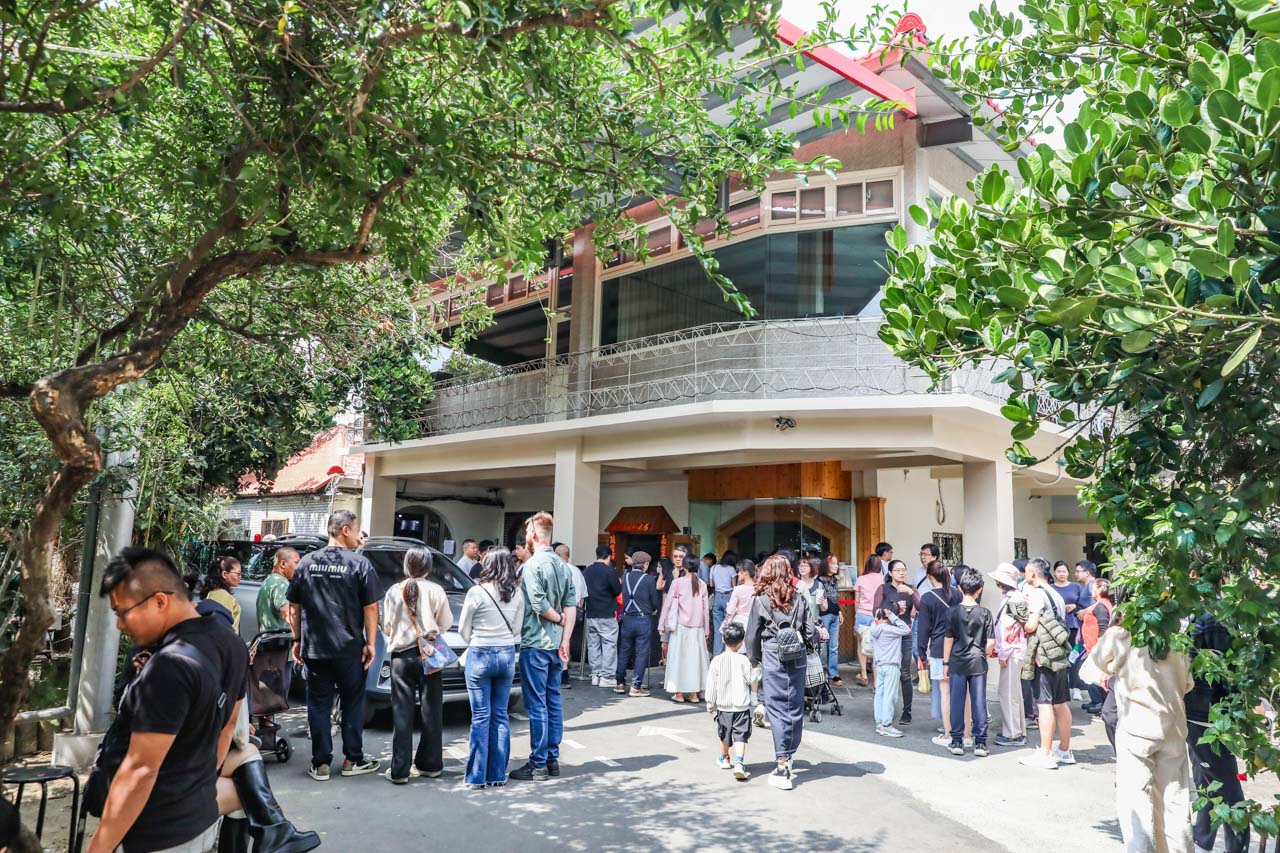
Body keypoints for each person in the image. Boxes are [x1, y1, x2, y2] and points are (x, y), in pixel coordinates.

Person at [87, 547, 249, 853]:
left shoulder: (169, 665)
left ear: (160, 600)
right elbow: (226, 728)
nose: (120, 625)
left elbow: (140, 770)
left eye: (122, 612)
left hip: (155, 831)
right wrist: (196, 789)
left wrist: (99, 848)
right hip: (196, 816)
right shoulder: (232, 643)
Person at [1085, 611, 1194, 852]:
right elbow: (1187, 683)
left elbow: (1098, 658)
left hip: (1136, 726)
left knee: (1136, 801)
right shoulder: (1176, 637)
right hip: (1173, 725)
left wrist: (1114, 625)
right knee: (1175, 800)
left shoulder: (1122, 634)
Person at [286, 509, 382, 782]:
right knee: (352, 702)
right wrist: (371, 643)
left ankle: (321, 764)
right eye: (357, 529)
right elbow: (371, 607)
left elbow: (294, 605)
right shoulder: (359, 564)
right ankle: (353, 758)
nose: (358, 536)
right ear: (346, 530)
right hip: (349, 648)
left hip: (316, 648)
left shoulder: (306, 563)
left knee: (318, 705)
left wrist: (297, 639)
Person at [511, 512, 578, 782]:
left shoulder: (532, 566)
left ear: (536, 535)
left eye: (528, 533)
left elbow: (538, 605)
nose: (526, 537)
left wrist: (559, 619)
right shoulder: (564, 566)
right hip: (555, 645)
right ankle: (552, 759)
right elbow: (571, 604)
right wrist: (565, 640)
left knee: (537, 704)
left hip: (535, 642)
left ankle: (537, 763)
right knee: (553, 701)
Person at [380, 545, 453, 784]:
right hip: (429, 655)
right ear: (429, 567)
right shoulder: (436, 589)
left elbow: (387, 627)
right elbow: (445, 623)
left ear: (406, 565)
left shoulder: (393, 590)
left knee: (402, 713)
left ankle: (400, 770)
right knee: (432, 710)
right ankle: (430, 764)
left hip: (401, 657)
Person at [745, 555, 817, 791]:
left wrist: (753, 659)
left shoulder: (761, 599)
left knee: (776, 706)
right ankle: (791, 749)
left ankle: (782, 761)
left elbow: (753, 634)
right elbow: (809, 629)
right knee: (795, 704)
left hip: (773, 652)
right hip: (796, 653)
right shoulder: (799, 597)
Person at [458, 547, 525, 790]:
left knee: (480, 717)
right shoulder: (517, 593)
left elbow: (464, 629)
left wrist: (476, 639)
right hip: (507, 655)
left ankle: (476, 776)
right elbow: (517, 629)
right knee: (500, 715)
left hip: (480, 654)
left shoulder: (476, 591)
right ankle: (497, 773)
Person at [1186, 613, 1248, 853]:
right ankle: (1202, 838)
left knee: (1224, 783)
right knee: (1206, 778)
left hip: (1208, 715)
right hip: (1201, 714)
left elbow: (1225, 673)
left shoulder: (1212, 619)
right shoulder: (1204, 616)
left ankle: (1234, 845)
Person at [1017, 557, 1075, 770]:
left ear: (1033, 572)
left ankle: (1046, 752)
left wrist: (1023, 622)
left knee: (1044, 703)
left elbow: (1032, 625)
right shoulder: (1056, 594)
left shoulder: (1036, 594)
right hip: (1059, 654)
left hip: (1043, 655)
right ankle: (1065, 750)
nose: (1024, 575)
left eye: (1026, 572)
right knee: (1061, 702)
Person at [942, 567, 995, 757]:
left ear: (960, 588)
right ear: (979, 589)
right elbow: (990, 643)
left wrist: (945, 663)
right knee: (979, 701)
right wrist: (983, 654)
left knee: (957, 701)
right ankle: (980, 743)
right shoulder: (985, 613)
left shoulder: (952, 612)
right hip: (978, 662)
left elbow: (948, 639)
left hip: (957, 661)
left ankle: (956, 741)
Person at [916, 559, 965, 748]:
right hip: (960, 647)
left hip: (938, 648)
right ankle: (963, 731)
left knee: (945, 692)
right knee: (960, 691)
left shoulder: (927, 598)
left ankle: (948, 734)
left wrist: (921, 652)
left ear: (929, 577)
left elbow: (923, 629)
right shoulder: (958, 595)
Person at [706, 621, 755, 781]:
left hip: (724, 705)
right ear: (741, 643)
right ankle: (740, 762)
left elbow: (711, 683)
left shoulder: (716, 661)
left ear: (722, 639)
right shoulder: (744, 661)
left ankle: (725, 758)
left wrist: (709, 702)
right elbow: (750, 679)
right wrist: (758, 673)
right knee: (741, 736)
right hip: (741, 706)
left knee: (724, 734)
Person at [873, 559, 920, 727]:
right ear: (890, 573)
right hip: (888, 634)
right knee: (886, 670)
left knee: (905, 673)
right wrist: (892, 609)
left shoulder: (909, 589)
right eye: (898, 570)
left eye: (904, 569)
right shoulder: (883, 588)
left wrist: (911, 593)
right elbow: (875, 611)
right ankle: (885, 711)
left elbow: (921, 607)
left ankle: (907, 712)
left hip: (905, 634)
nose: (902, 572)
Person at [660, 552, 711, 702]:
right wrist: (707, 629)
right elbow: (705, 610)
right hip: (698, 628)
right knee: (695, 661)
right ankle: (694, 694)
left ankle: (680, 694)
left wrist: (661, 624)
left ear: (684, 566)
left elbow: (668, 605)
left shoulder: (678, 582)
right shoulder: (701, 584)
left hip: (680, 628)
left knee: (679, 661)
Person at [988, 562, 1028, 747]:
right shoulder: (1016, 598)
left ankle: (1013, 733)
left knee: (1007, 692)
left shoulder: (1012, 600)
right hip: (1016, 650)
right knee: (1014, 693)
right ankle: (1017, 730)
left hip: (1011, 651)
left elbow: (1009, 631)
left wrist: (1002, 654)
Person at [615, 550, 659, 697]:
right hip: (643, 619)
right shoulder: (649, 580)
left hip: (627, 619)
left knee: (624, 650)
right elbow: (654, 602)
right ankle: (635, 687)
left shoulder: (625, 576)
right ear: (645, 564)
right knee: (641, 653)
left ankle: (620, 683)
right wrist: (652, 610)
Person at [582, 544, 621, 687]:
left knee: (593, 645)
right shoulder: (610, 571)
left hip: (591, 612)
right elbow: (617, 591)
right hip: (607, 613)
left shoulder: (587, 571)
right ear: (609, 557)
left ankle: (595, 674)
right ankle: (607, 677)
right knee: (609, 644)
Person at [869, 608, 911, 737]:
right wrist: (894, 616)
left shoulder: (873, 629)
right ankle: (886, 725)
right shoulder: (889, 629)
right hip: (891, 665)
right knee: (889, 696)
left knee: (880, 695)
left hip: (880, 665)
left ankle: (880, 723)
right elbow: (906, 630)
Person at [553, 542, 586, 690]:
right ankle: (564, 673)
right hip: (575, 612)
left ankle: (562, 674)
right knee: (566, 642)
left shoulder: (557, 570)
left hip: (558, 613)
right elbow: (583, 596)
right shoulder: (577, 572)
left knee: (558, 643)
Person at [1078, 578, 1113, 713]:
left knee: (1094, 675)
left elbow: (1103, 628)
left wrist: (1099, 648)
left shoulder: (1101, 606)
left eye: (1094, 587)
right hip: (1092, 647)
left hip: (1096, 648)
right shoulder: (1102, 604)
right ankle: (1098, 702)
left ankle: (1101, 703)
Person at [852, 557, 884, 687]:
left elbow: (857, 601)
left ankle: (864, 674)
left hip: (863, 614)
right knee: (877, 647)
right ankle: (876, 683)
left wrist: (856, 615)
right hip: (878, 615)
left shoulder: (861, 579)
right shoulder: (884, 579)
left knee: (861, 644)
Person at [815, 556, 843, 685]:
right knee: (822, 646)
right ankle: (820, 672)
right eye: (833, 564)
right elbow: (820, 601)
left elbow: (835, 599)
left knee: (834, 646)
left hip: (834, 614)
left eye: (837, 564)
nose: (836, 566)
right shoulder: (819, 581)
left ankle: (834, 674)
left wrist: (840, 611)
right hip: (824, 615)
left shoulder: (834, 580)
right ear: (826, 565)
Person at [204, 556, 243, 634]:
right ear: (225, 574)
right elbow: (224, 628)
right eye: (238, 574)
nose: (240, 577)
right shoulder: (223, 596)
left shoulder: (214, 592)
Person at [709, 552, 737, 655]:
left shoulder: (714, 568)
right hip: (728, 597)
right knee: (728, 626)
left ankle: (717, 653)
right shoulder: (731, 569)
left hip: (717, 596)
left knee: (717, 628)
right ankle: (727, 652)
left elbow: (711, 584)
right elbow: (734, 586)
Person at [724, 559, 757, 628]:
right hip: (755, 624)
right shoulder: (758, 589)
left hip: (739, 624)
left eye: (739, 571)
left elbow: (730, 610)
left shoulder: (738, 589)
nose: (738, 574)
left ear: (746, 572)